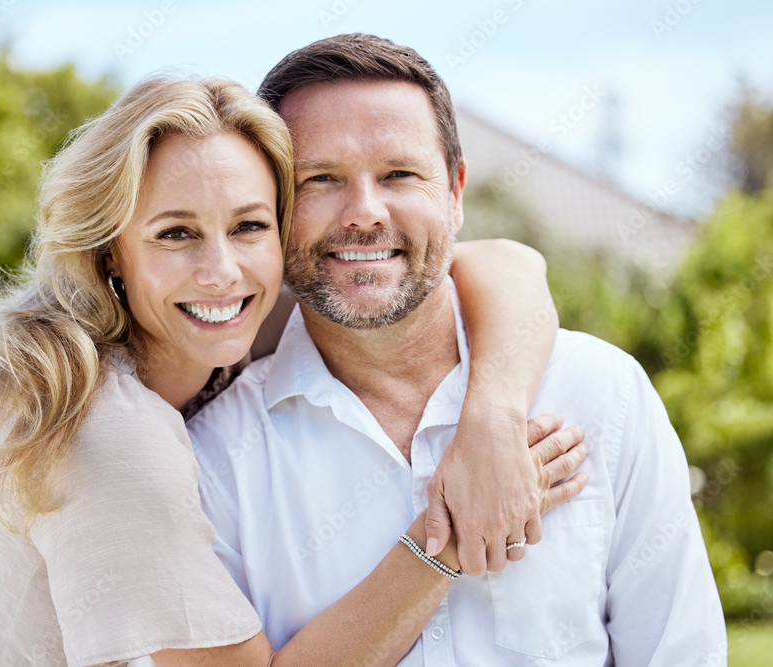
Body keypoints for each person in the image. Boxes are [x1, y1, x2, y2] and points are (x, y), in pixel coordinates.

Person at [0, 75, 585, 666]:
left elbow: (502, 262)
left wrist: (490, 422)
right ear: (111, 251)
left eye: (250, 226)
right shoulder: (107, 435)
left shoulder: (203, 330)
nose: (221, 271)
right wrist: (449, 533)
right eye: (176, 233)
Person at [188, 34, 727, 665]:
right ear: (275, 207)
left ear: (455, 193)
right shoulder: (212, 458)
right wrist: (442, 545)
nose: (364, 213)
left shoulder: (603, 392)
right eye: (321, 179)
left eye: (400, 175)